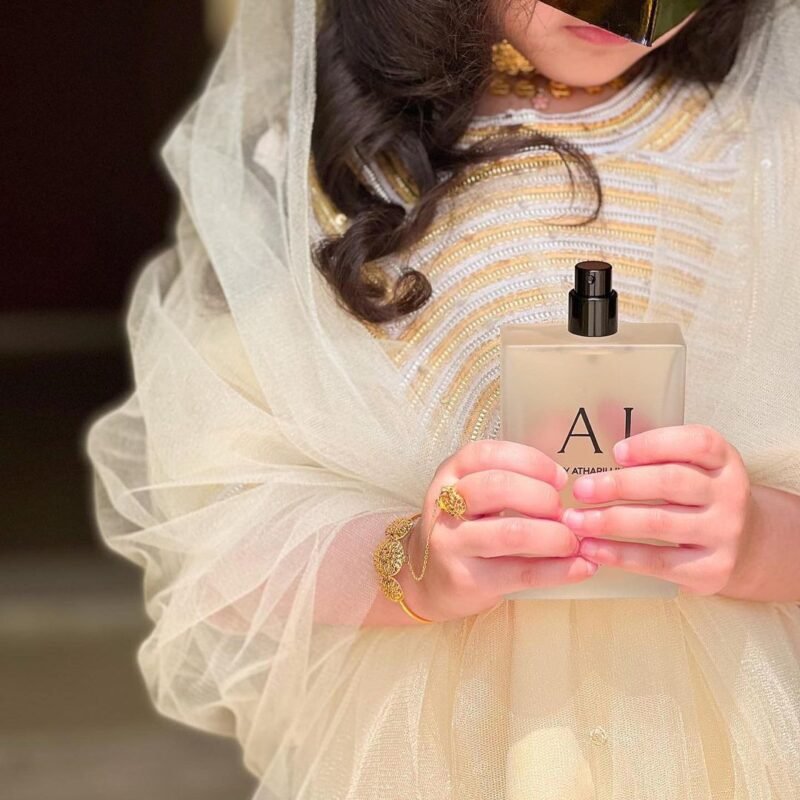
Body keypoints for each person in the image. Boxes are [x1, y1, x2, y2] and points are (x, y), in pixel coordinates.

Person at [83, 0, 800, 796]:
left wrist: (759, 540)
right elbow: (220, 524)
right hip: (441, 746)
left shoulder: (767, 149)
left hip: (718, 732)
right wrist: (413, 567)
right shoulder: (336, 172)